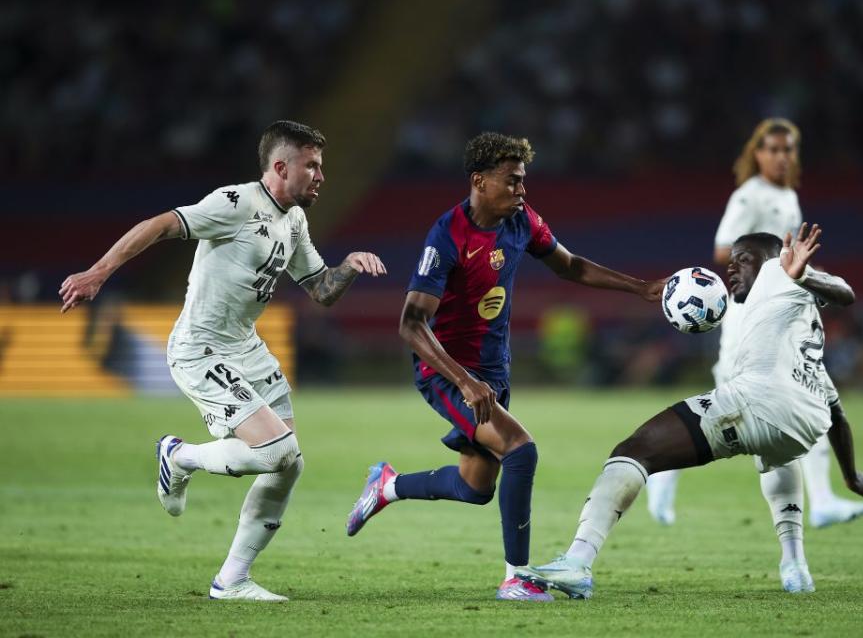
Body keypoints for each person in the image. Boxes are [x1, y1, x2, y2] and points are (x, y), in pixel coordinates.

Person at [60, 120, 387, 602]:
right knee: (276, 450)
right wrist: (98, 272)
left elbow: (320, 289)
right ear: (280, 167)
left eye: (322, 166)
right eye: (311, 166)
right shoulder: (235, 203)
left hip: (247, 348)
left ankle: (231, 579)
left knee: (289, 463)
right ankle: (179, 455)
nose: (321, 176)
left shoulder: (293, 220)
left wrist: (350, 266)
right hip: (200, 349)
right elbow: (160, 225)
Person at [344, 132, 664, 601]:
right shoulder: (448, 235)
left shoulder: (521, 222)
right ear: (479, 181)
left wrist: (638, 288)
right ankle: (517, 577)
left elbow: (570, 266)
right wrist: (465, 381)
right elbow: (411, 325)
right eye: (512, 181)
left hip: (492, 374)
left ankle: (388, 486)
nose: (521, 190)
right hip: (447, 373)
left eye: (523, 181)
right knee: (521, 449)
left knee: (476, 487)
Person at [518, 225, 863, 598]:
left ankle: (577, 561)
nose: (732, 269)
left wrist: (803, 272)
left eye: (743, 259)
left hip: (756, 402)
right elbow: (837, 412)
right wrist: (849, 474)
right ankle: (795, 566)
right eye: (731, 261)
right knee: (780, 454)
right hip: (805, 420)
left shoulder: (779, 271)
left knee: (634, 451)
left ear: (770, 260)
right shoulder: (798, 326)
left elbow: (845, 293)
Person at [646, 118, 863, 529]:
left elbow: (787, 258)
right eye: (773, 149)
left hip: (779, 313)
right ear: (758, 154)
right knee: (727, 402)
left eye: (788, 150)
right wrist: (771, 268)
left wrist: (802, 273)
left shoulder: (787, 195)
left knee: (806, 391)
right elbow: (721, 250)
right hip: (748, 317)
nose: (782, 157)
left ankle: (821, 500)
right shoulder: (749, 196)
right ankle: (663, 471)